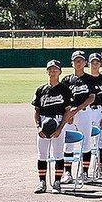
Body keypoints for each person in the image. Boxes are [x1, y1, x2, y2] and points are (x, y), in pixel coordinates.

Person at [31, 59, 71, 193]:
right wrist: (38, 127)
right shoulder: (41, 90)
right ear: (47, 71)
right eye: (50, 69)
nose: (52, 72)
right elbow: (36, 111)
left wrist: (60, 128)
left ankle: (57, 182)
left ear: (60, 72)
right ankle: (42, 183)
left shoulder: (65, 90)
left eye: (55, 69)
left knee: (58, 154)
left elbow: (67, 111)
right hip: (44, 122)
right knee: (42, 154)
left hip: (58, 121)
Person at [62, 50, 96, 183]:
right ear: (72, 63)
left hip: (84, 113)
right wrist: (68, 113)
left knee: (86, 142)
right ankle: (68, 173)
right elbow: (63, 99)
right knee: (68, 143)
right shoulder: (66, 80)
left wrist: (76, 110)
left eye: (81, 60)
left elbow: (91, 98)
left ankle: (85, 172)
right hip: (69, 114)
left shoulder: (90, 79)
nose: (78, 62)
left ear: (85, 63)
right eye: (76, 60)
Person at [84, 53, 102, 181]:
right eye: (92, 63)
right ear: (88, 64)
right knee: (86, 141)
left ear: (100, 64)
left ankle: (99, 166)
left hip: (100, 110)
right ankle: (85, 169)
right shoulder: (86, 79)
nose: (95, 65)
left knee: (100, 140)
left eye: (97, 63)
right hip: (87, 110)